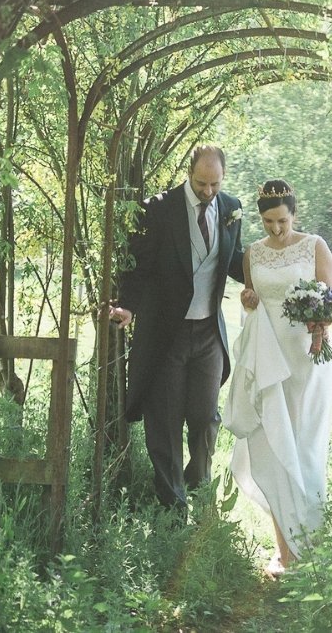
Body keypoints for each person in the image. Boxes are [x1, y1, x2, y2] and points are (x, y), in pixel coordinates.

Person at [107, 144, 247, 510]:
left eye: (215, 184)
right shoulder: (158, 209)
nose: (208, 191)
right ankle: (172, 506)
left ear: (222, 178)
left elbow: (233, 260)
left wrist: (265, 275)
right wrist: (128, 307)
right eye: (202, 183)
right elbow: (138, 267)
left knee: (205, 419)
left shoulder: (231, 208)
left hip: (208, 333)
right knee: (165, 422)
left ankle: (198, 489)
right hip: (166, 334)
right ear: (189, 173)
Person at [224, 178, 332, 573]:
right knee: (274, 445)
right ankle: (283, 551)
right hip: (270, 360)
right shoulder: (252, 254)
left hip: (307, 359)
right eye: (269, 222)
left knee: (305, 449)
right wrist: (248, 298)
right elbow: (253, 300)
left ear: (294, 213)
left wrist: (321, 327)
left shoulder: (314, 245)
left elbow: (329, 300)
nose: (275, 229)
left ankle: (312, 547)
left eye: (282, 221)